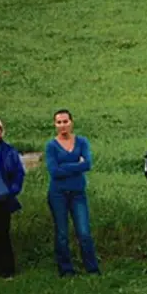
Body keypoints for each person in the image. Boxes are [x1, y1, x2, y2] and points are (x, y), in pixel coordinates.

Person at [45, 109, 100, 276]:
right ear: (55, 125)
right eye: (59, 122)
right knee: (62, 232)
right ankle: (66, 269)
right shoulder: (51, 146)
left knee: (84, 231)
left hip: (78, 193)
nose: (63, 125)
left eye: (65, 121)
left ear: (71, 122)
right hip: (58, 194)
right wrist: (76, 165)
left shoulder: (82, 142)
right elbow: (54, 171)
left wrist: (66, 167)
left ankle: (92, 268)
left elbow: (88, 164)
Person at [0, 116, 26, 279]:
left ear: (1, 132)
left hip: (2, 199)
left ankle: (6, 270)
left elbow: (19, 173)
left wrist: (12, 191)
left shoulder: (9, 151)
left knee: (2, 235)